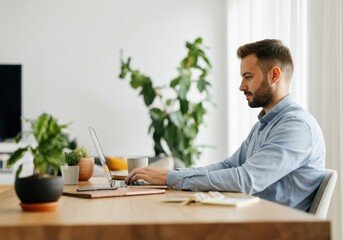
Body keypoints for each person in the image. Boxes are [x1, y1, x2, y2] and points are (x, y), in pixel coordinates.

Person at [126, 39, 326, 211]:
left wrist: (171, 178)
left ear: (274, 75)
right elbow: (229, 166)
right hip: (252, 220)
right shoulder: (265, 124)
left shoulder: (296, 127)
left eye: (248, 77)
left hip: (273, 230)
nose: (241, 86)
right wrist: (174, 176)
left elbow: (245, 179)